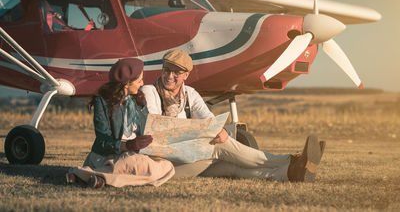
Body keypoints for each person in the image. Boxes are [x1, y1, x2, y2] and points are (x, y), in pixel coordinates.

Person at [141, 49, 325, 182]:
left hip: (193, 158)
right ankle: (291, 160)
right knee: (219, 147)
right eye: (166, 70)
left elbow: (207, 118)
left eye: (176, 72)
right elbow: (158, 129)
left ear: (186, 75)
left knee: (232, 168)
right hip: (165, 163)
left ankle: (290, 173)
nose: (169, 76)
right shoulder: (150, 91)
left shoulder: (190, 93)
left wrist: (218, 129)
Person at [66, 58, 175, 188]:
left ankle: (90, 176)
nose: (142, 84)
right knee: (143, 167)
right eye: (139, 80)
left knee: (168, 167)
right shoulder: (102, 101)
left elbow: (146, 129)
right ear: (127, 83)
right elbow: (103, 141)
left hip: (133, 155)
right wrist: (128, 145)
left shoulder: (139, 100)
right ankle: (101, 177)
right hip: (108, 155)